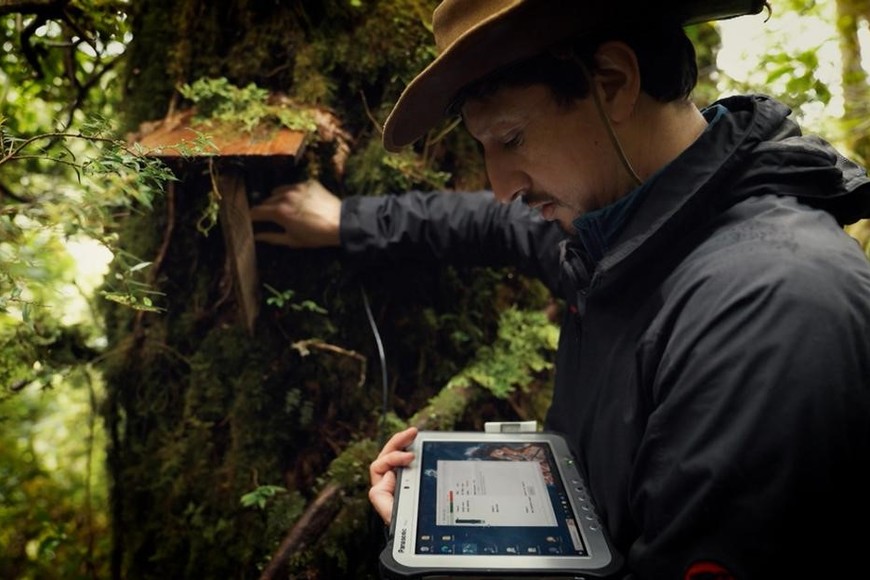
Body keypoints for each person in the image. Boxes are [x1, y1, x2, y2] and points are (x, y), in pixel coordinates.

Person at [251, 0, 870, 578]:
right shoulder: (618, 232)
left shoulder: (770, 313)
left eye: (512, 139)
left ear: (612, 82)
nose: (501, 185)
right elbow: (489, 223)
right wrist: (349, 222)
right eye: (483, 148)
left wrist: (470, 559)